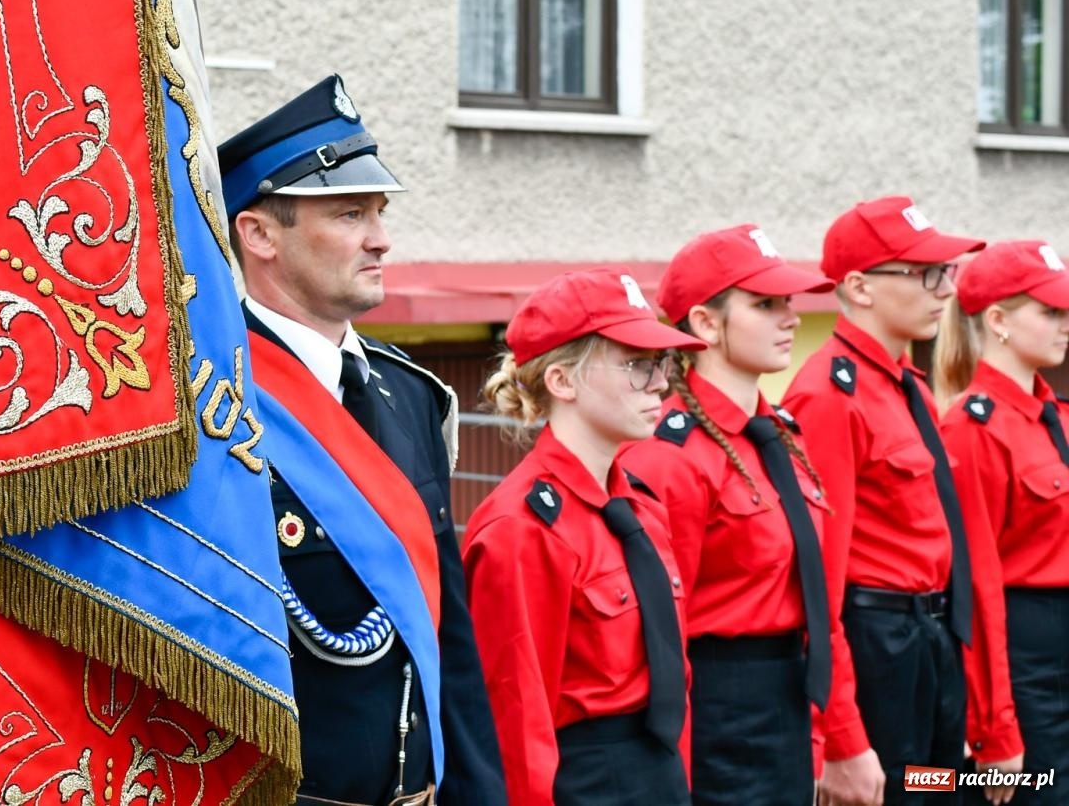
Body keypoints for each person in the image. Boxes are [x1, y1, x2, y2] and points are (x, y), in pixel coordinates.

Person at [219, 75, 507, 804]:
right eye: (350, 213)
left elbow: (449, 638)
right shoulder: (209, 402)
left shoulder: (411, 395)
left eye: (379, 212)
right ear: (259, 234)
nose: (381, 238)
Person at [620, 224, 840, 805]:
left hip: (789, 693)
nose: (790, 318)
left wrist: (825, 732)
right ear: (705, 323)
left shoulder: (781, 435)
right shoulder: (673, 454)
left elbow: (818, 595)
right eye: (765, 305)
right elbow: (663, 634)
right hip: (719, 705)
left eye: (788, 302)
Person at [464, 267, 699, 805]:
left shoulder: (640, 508)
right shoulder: (521, 528)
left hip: (657, 775)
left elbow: (670, 681)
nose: (661, 383)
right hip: (586, 783)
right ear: (562, 381)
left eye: (661, 363)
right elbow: (516, 719)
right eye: (637, 365)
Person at [782, 195, 984, 806]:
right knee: (895, 795)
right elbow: (821, 579)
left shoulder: (905, 385)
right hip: (879, 645)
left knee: (941, 788)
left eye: (946, 272)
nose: (945, 289)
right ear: (859, 287)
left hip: (931, 637)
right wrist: (841, 733)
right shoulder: (828, 394)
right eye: (925, 273)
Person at [935, 240, 1069, 804]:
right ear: (998, 321)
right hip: (1026, 662)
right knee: (1032, 791)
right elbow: (977, 586)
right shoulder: (973, 429)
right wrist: (994, 728)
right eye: (1050, 312)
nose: (1066, 324)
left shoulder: (1056, 417)